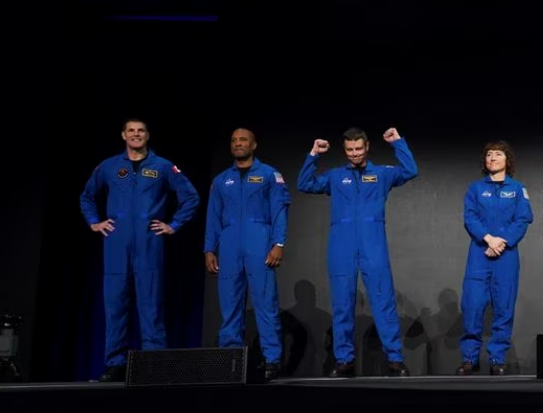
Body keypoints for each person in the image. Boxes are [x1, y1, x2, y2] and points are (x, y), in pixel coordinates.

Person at [80, 119, 200, 382]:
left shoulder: (163, 166)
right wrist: (93, 221)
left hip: (149, 242)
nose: (136, 134)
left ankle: (154, 365)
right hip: (116, 243)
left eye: (141, 131)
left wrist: (174, 225)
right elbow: (87, 196)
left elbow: (191, 197)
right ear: (123, 135)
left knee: (151, 306)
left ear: (148, 135)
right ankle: (115, 365)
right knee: (115, 306)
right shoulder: (110, 166)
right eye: (131, 130)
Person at [297, 127, 418, 377]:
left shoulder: (382, 174)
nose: (354, 154)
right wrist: (313, 155)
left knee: (383, 301)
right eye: (350, 150)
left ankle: (395, 358)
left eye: (359, 149)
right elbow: (304, 184)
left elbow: (410, 171)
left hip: (373, 244)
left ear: (367, 147)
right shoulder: (335, 176)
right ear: (345, 150)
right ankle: (344, 360)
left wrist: (398, 143)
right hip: (341, 246)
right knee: (342, 304)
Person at [204, 128, 291, 381]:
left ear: (254, 144)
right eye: (233, 140)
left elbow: (279, 212)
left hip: (259, 241)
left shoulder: (269, 175)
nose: (238, 144)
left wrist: (279, 244)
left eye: (243, 140)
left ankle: (272, 359)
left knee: (265, 305)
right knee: (230, 306)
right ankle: (230, 358)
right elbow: (213, 217)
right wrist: (209, 248)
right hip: (229, 245)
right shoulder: (221, 180)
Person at [455, 141, 533, 376]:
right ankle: (470, 359)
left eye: (498, 154)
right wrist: (488, 238)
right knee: (472, 306)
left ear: (507, 160)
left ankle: (498, 358)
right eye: (489, 155)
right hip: (480, 253)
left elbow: (523, 219)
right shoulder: (475, 189)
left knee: (504, 306)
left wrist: (502, 241)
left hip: (506, 255)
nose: (492, 158)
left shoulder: (518, 189)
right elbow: (470, 218)